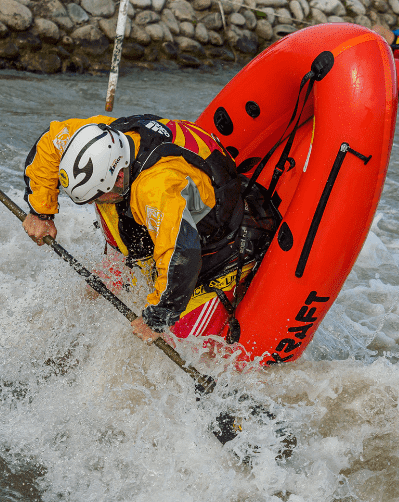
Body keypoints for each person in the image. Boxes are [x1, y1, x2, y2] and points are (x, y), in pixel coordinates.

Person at [21, 115, 246, 345]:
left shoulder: (154, 189)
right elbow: (50, 143)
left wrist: (158, 317)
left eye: (98, 196)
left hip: (207, 234)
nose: (92, 204)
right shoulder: (99, 138)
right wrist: (41, 211)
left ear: (119, 177)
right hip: (163, 210)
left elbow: (181, 253)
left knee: (164, 331)